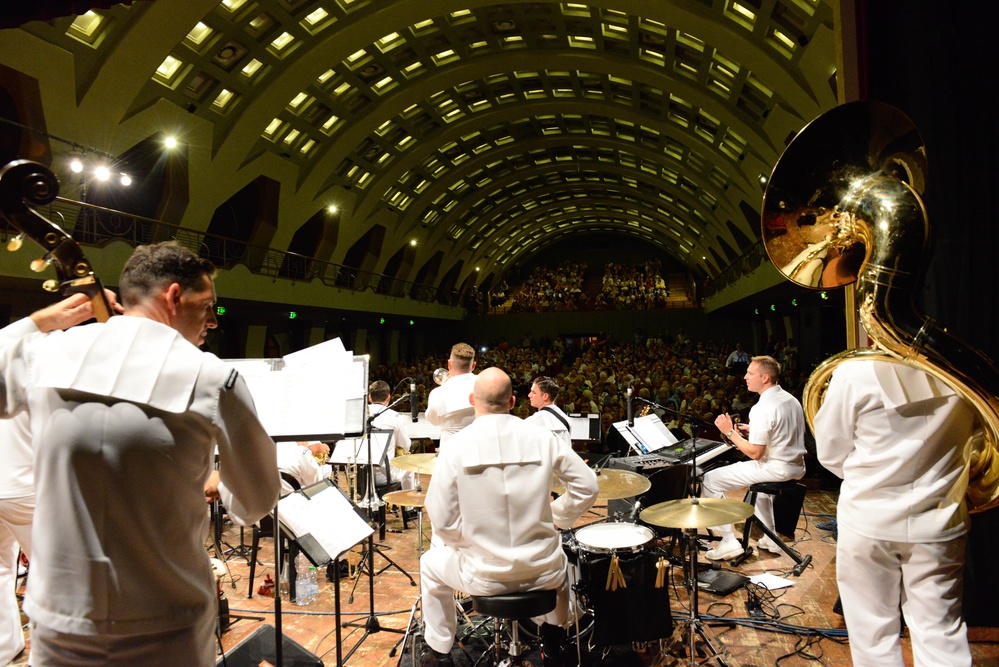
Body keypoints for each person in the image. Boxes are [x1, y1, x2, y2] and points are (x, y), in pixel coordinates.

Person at [0, 241, 280, 667]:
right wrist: (225, 488)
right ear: (173, 296)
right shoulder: (213, 378)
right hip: (168, 620)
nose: (212, 321)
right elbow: (257, 500)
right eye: (208, 306)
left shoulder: (47, 353)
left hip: (61, 620)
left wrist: (38, 322)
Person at [419, 368, 599, 666]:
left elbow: (441, 519)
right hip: (541, 570)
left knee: (429, 564)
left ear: (471, 400)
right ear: (513, 401)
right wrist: (559, 516)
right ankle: (553, 637)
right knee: (561, 562)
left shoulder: (456, 447)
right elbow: (588, 486)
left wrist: (468, 543)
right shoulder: (542, 437)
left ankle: (439, 650)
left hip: (483, 575)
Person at [813, 359, 977, 666]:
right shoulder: (964, 370)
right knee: (941, 632)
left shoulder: (854, 373)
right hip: (939, 520)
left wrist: (874, 474)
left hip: (867, 517)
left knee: (871, 633)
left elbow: (830, 453)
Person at [0, 293, 122, 666]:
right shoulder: (52, 357)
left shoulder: (10, 347)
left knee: (1, 569)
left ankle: (5, 648)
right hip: (27, 486)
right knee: (59, 584)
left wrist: (38, 321)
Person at [705, 355, 806, 561]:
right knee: (759, 492)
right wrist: (754, 430)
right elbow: (782, 432)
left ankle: (728, 541)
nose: (745, 377)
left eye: (750, 373)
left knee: (710, 480)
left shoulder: (762, 407)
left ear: (765, 378)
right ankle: (770, 539)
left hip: (776, 467)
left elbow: (755, 453)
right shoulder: (790, 399)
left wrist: (729, 432)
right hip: (796, 466)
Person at [425, 342, 477, 444]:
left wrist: (443, 387)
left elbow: (433, 421)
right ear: (473, 365)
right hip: (479, 453)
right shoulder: (486, 385)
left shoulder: (438, 393)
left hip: (450, 454)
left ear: (449, 364)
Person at [368, 380, 414, 489]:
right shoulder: (394, 417)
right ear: (389, 397)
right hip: (384, 475)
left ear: (370, 398)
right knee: (410, 466)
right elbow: (405, 446)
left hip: (361, 474)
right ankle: (409, 505)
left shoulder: (359, 415)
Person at [525, 376, 572, 448]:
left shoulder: (534, 421)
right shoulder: (566, 419)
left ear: (545, 396)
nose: (529, 395)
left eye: (533, 392)